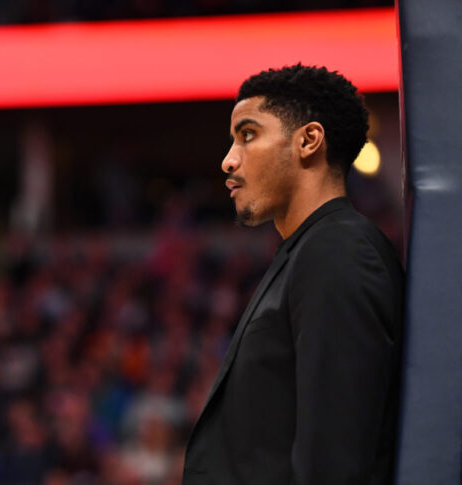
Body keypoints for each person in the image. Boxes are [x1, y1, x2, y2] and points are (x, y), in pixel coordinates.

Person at [182, 64, 404, 484]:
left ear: (309, 141)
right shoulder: (311, 250)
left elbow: (334, 464)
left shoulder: (338, 251)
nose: (228, 160)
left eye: (247, 135)